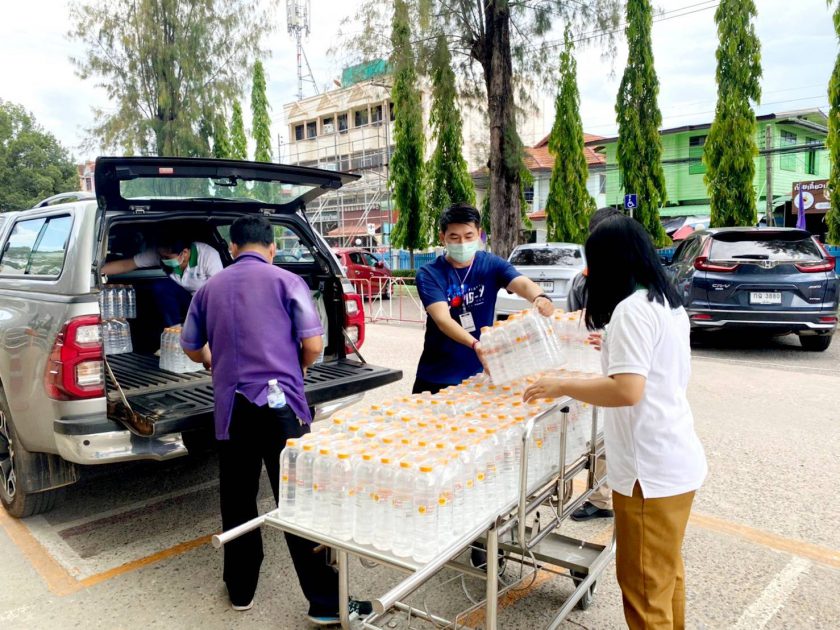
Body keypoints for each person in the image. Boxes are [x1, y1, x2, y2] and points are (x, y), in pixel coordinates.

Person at [180, 216, 369, 625]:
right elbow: (313, 344)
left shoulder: (209, 288)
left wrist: (213, 361)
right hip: (282, 407)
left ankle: (240, 590)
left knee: (238, 498)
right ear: (272, 248)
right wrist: (295, 368)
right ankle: (324, 602)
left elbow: (191, 346)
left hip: (232, 408)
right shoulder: (287, 281)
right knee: (298, 500)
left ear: (233, 249)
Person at [523, 215, 707, 630]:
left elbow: (627, 390)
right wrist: (610, 343)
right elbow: (653, 365)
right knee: (665, 575)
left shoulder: (630, 311)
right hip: (675, 460)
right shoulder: (666, 302)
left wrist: (561, 384)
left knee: (643, 588)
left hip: (649, 474)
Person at [413, 203, 555, 395]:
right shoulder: (429, 273)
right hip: (437, 376)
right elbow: (443, 320)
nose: (462, 243)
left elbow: (521, 283)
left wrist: (539, 297)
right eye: (454, 237)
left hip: (479, 375)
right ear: (442, 238)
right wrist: (476, 344)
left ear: (479, 234)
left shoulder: (490, 264)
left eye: (468, 236)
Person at [566, 207, 623, 523]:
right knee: (596, 433)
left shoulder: (631, 282)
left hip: (622, 369)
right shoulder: (582, 281)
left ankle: (607, 497)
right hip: (590, 366)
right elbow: (571, 324)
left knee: (612, 433)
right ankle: (601, 497)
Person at [102, 237, 223, 327]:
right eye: (161, 257)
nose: (163, 260)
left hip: (205, 301)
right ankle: (175, 330)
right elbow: (127, 264)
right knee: (161, 287)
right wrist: (96, 271)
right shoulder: (160, 254)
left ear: (184, 253)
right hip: (183, 296)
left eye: (167, 258)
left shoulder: (209, 256)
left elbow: (218, 294)